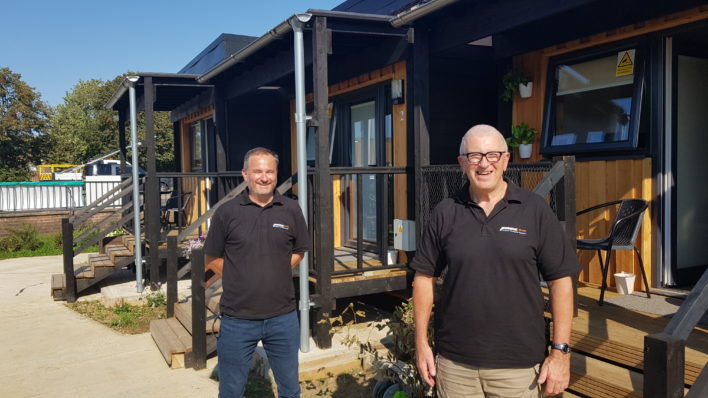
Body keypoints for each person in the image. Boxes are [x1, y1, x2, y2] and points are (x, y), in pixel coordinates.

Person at [410, 125, 580, 397]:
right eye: (475, 156)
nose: (484, 164)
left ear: (506, 160)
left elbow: (560, 281)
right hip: (455, 366)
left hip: (518, 368)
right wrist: (421, 343)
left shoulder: (535, 210)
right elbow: (423, 277)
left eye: (493, 155)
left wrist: (560, 353)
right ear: (462, 163)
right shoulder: (445, 212)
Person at [203, 147, 310, 398]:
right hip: (237, 319)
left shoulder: (291, 209)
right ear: (245, 174)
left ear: (276, 174)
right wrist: (241, 277)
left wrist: (275, 270)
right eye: (257, 171)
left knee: (290, 390)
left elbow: (300, 250)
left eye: (269, 171)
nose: (264, 177)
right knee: (231, 391)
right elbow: (212, 257)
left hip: (282, 318)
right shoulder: (227, 212)